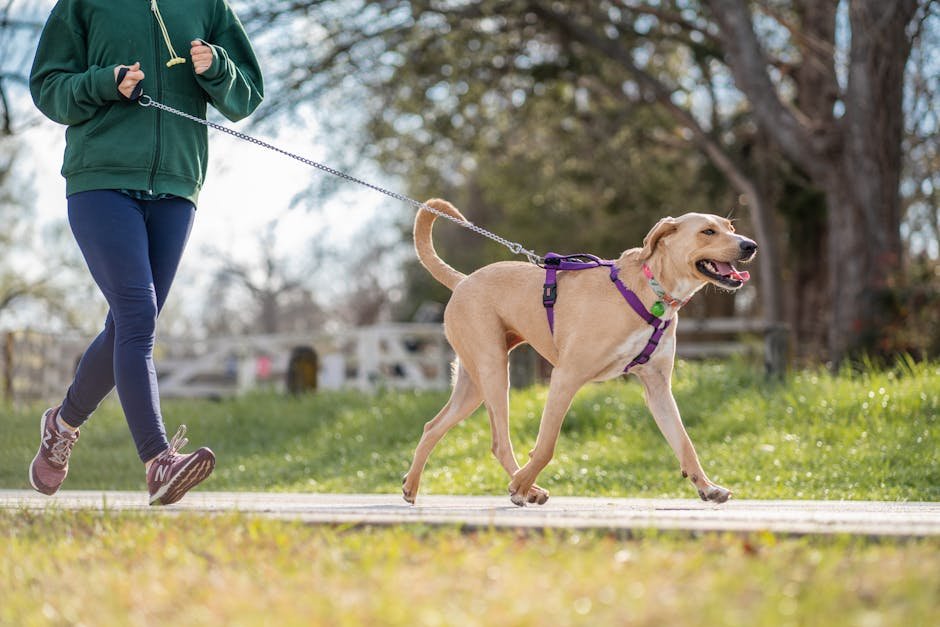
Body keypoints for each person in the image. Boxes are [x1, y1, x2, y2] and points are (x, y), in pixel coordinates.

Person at [28, 0, 263, 505]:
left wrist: (218, 67)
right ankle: (159, 461)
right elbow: (48, 88)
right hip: (101, 182)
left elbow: (246, 96)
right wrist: (102, 83)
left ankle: (62, 425)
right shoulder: (84, 4)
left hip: (177, 186)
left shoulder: (206, 6)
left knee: (127, 324)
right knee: (138, 316)